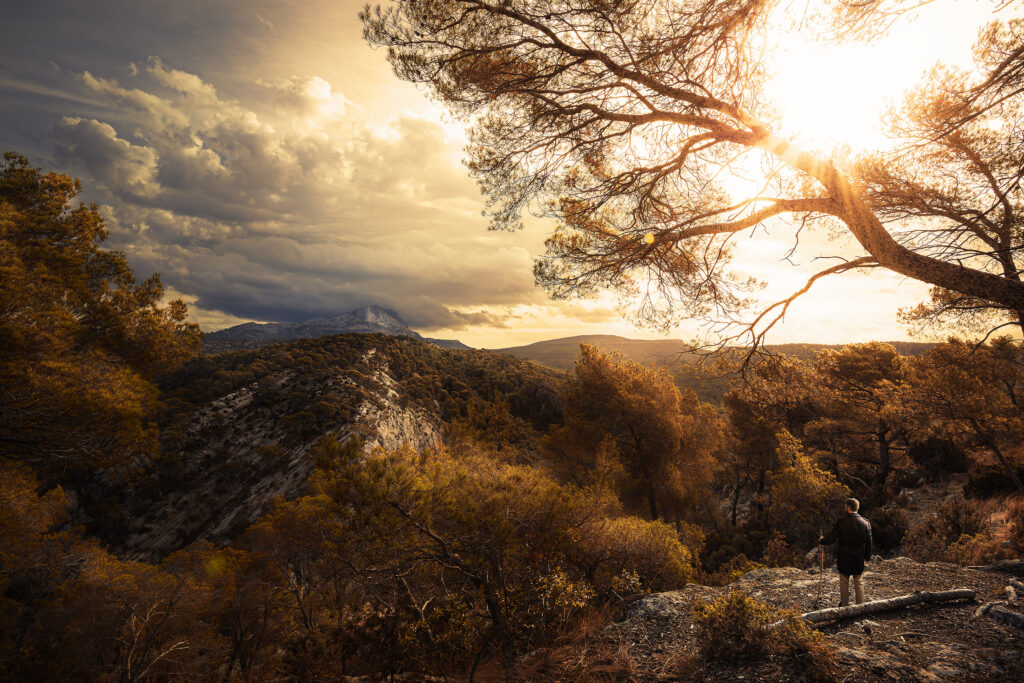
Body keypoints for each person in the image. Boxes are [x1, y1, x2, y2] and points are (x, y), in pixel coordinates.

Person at [818, 497, 872, 606]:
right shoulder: (866, 523)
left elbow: (832, 538)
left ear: (848, 507)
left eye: (845, 506)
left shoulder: (841, 522)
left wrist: (822, 541)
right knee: (859, 581)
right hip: (858, 557)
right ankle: (861, 606)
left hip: (844, 557)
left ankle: (845, 606)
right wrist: (867, 556)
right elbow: (869, 542)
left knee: (844, 581)